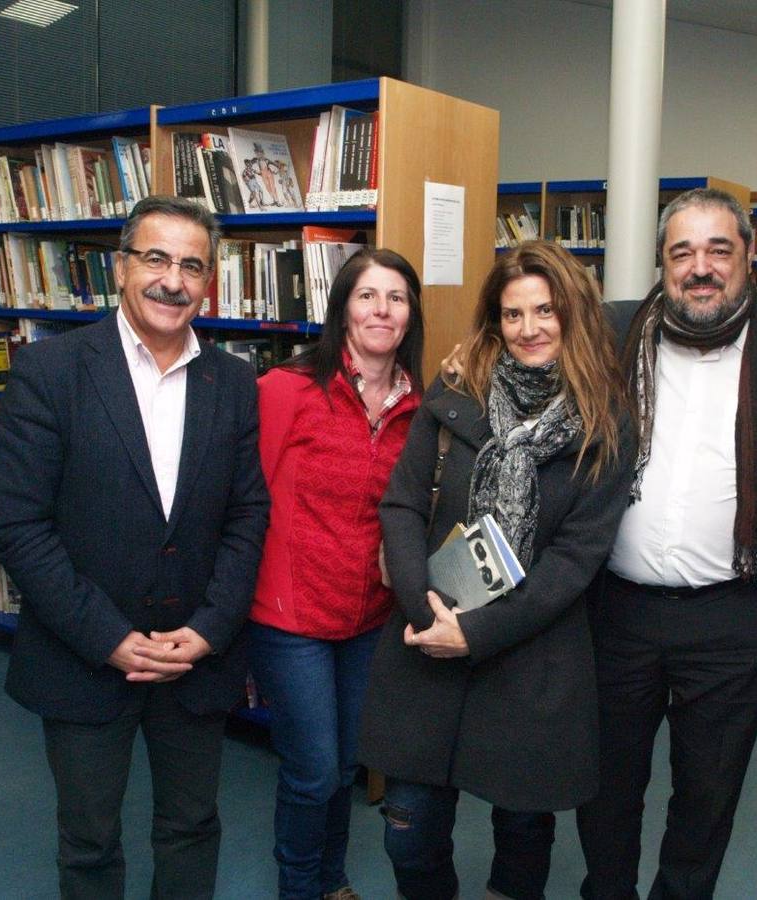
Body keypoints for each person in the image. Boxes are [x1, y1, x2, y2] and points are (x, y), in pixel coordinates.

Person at [0, 195, 270, 898]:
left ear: (209, 282)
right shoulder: (50, 372)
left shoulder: (234, 381)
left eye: (191, 265)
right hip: (83, 657)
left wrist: (207, 632)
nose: (172, 280)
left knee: (191, 825)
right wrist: (108, 637)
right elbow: (21, 528)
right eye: (155, 258)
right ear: (120, 268)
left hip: (193, 660)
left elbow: (247, 515)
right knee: (88, 841)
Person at [360, 240, 635, 900]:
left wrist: (477, 635)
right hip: (428, 637)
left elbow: (574, 561)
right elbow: (401, 502)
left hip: (530, 654)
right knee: (408, 831)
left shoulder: (606, 424)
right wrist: (426, 610)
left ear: (572, 315)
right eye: (512, 314)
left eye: (545, 311)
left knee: (521, 830)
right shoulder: (456, 393)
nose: (529, 328)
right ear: (494, 320)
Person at [576, 187, 757, 899]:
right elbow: (516, 345)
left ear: (749, 258)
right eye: (682, 252)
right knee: (605, 786)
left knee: (706, 797)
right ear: (661, 261)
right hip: (616, 612)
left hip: (736, 619)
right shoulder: (613, 334)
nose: (700, 267)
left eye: (719, 249)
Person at [248, 247, 425, 899]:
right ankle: (299, 889)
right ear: (342, 308)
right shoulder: (286, 390)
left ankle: (332, 882)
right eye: (367, 295)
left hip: (368, 617)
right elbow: (245, 502)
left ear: (410, 316)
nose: (382, 309)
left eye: (397, 297)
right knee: (313, 770)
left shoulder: (421, 409)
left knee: (347, 764)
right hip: (289, 615)